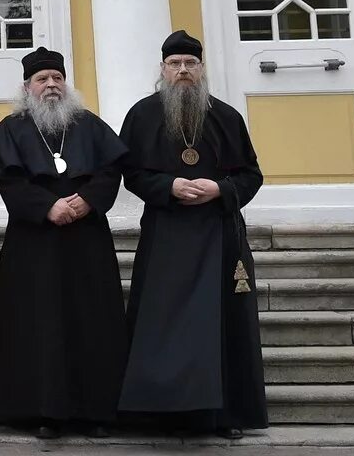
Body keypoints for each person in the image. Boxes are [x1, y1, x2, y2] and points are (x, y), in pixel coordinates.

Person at [118, 31, 268, 439]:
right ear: (162, 70)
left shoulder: (226, 116)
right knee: (162, 322)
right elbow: (130, 173)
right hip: (166, 233)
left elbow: (252, 174)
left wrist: (220, 189)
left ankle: (222, 416)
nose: (182, 70)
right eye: (175, 64)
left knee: (218, 323)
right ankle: (158, 414)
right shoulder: (142, 115)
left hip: (217, 234)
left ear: (201, 69)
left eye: (190, 64)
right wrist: (168, 187)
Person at [0, 47, 127, 438]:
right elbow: (9, 181)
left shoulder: (90, 126)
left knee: (92, 322)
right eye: (42, 79)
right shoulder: (12, 129)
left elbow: (111, 171)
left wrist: (86, 202)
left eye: (57, 78)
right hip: (34, 242)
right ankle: (43, 411)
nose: (51, 85)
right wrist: (47, 207)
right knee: (38, 324)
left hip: (87, 240)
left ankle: (95, 411)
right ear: (27, 87)